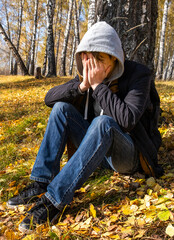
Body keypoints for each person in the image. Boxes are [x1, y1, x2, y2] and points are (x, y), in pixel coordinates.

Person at [7, 21, 163, 232]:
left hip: (128, 156)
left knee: (104, 122)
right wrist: (82, 86)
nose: (94, 65)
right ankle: (41, 183)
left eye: (101, 58)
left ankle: (54, 200)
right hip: (95, 152)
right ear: (83, 57)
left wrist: (98, 86)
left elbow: (127, 120)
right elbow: (48, 99)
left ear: (114, 58)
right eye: (90, 58)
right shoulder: (85, 74)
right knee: (61, 107)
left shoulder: (138, 75)